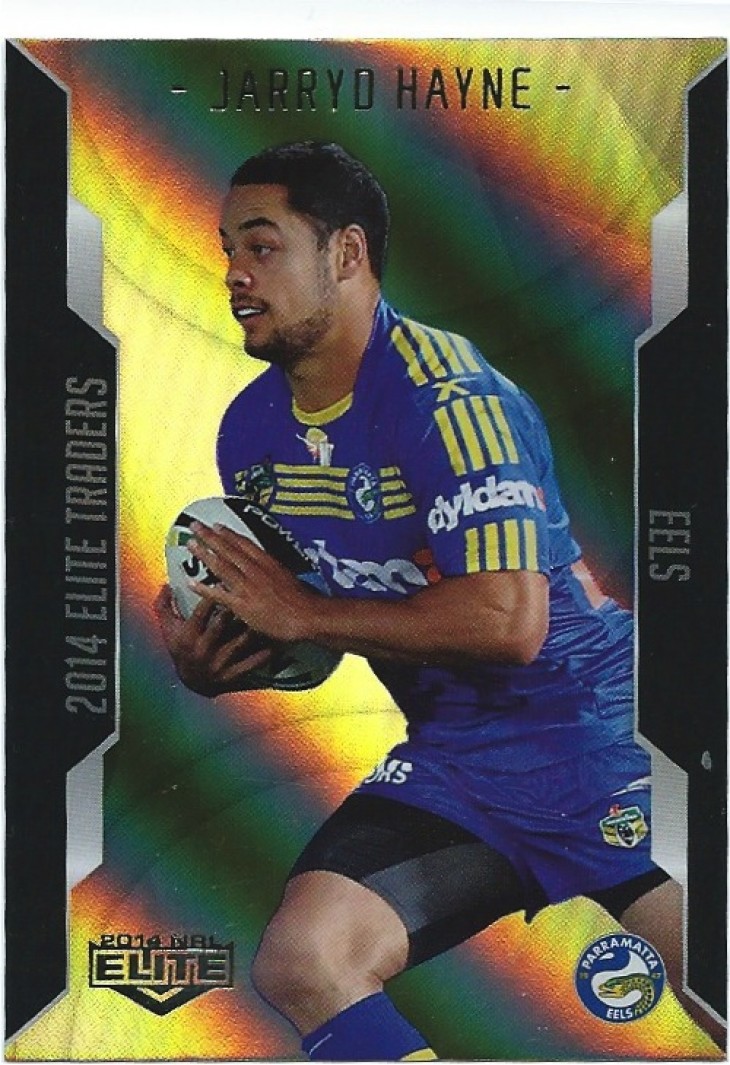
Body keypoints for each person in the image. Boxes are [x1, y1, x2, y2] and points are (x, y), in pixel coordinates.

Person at [154, 141, 724, 1059]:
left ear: (345, 252)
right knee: (306, 956)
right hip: (459, 767)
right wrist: (226, 658)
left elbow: (510, 622)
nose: (234, 274)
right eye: (227, 249)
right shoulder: (251, 435)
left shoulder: (450, 399)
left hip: (600, 736)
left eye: (262, 246)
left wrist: (301, 613)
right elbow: (322, 633)